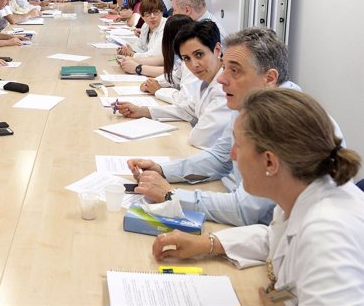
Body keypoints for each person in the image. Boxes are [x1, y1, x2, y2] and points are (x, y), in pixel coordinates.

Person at [152, 88, 364, 305]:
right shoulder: (301, 190)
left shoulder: (326, 234)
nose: (232, 154)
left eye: (239, 145)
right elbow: (274, 238)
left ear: (270, 162)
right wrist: (208, 244)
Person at [127, 27, 344, 226]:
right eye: (224, 68)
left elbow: (244, 210)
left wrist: (171, 195)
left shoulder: (286, 124)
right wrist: (163, 169)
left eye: (235, 71)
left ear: (269, 78)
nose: (221, 79)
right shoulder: (249, 104)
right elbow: (220, 158)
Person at [117, 21, 232, 149]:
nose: (194, 65)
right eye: (186, 58)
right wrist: (143, 111)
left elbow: (199, 138)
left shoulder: (225, 89)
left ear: (217, 49)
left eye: (199, 54)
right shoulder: (208, 79)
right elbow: (188, 110)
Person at [139, 14, 197, 103]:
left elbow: (185, 100)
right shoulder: (182, 57)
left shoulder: (191, 61)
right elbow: (175, 75)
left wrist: (158, 90)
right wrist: (154, 82)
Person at [117, 0, 167, 75]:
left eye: (155, 12)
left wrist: (132, 54)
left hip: (159, 69)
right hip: (150, 67)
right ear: (142, 17)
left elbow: (153, 55)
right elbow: (141, 47)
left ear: (161, 12)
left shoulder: (166, 27)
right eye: (148, 14)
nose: (152, 16)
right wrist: (129, 49)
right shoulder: (146, 26)